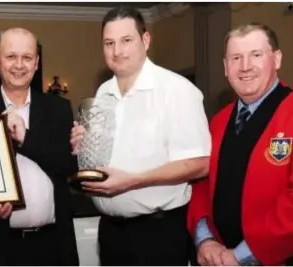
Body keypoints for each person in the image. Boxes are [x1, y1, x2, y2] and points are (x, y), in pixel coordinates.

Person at [70, 6, 211, 265]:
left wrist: (133, 181)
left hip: (158, 235)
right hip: (111, 232)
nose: (117, 51)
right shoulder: (103, 92)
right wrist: (83, 143)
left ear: (145, 40)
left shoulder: (176, 90)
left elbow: (200, 164)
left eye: (126, 41)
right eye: (109, 43)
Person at [0, 27, 79, 266]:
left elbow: (68, 166)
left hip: (53, 246)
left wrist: (24, 137)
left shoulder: (59, 110)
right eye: (11, 56)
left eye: (27, 57)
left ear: (36, 63)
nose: (19, 65)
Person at [187, 23, 293, 266]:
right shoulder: (218, 121)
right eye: (236, 58)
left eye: (256, 55)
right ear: (226, 67)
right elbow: (201, 183)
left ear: (276, 59)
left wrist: (241, 256)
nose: (245, 66)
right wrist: (205, 239)